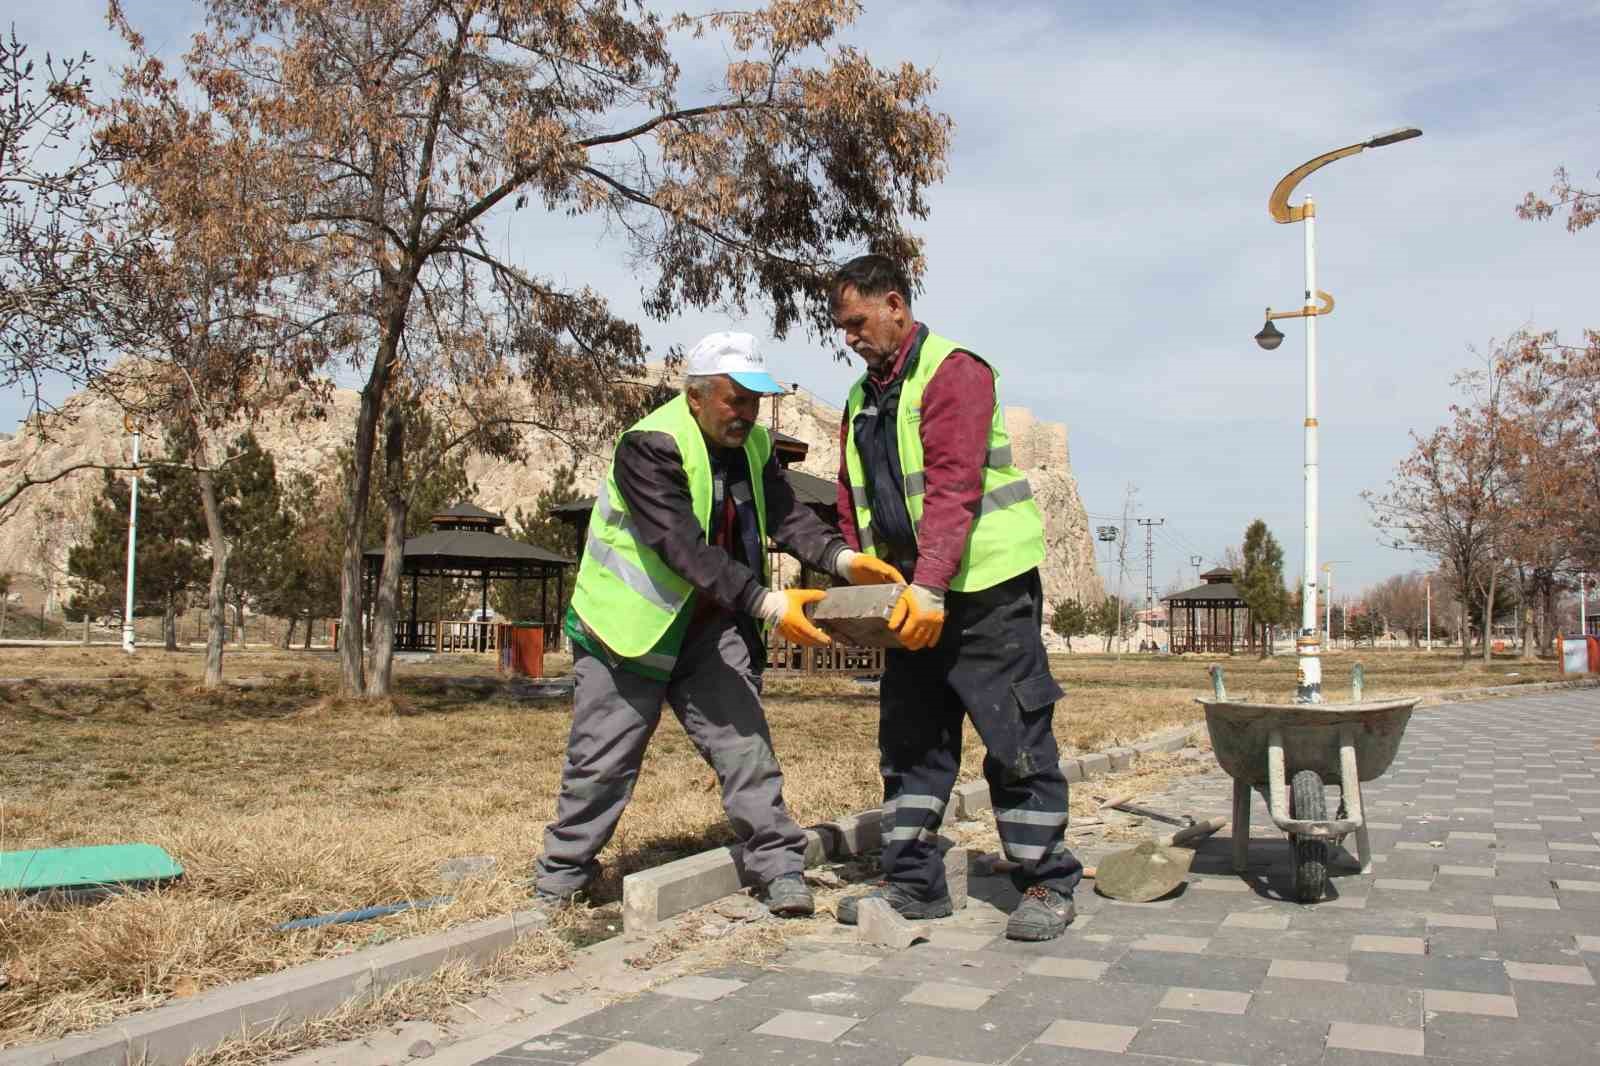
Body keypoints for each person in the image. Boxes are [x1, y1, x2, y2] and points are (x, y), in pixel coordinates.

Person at [534, 331, 903, 916]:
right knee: (602, 762)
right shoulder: (650, 445)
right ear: (697, 395)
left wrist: (841, 560)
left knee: (744, 745)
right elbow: (680, 547)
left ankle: (779, 865)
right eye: (736, 400)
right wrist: (770, 604)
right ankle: (562, 878)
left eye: (756, 401)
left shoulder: (753, 444)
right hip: (627, 632)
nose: (748, 414)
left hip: (710, 626)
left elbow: (786, 515)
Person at [826, 254, 1084, 941]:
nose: (848, 337)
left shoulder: (954, 372)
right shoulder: (860, 398)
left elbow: (953, 487)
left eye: (856, 322)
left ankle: (1047, 881)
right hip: (915, 600)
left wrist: (933, 585)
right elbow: (854, 497)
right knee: (910, 743)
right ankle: (914, 881)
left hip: (985, 593)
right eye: (840, 327)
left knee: (1015, 737)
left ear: (896, 307)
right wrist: (862, 581)